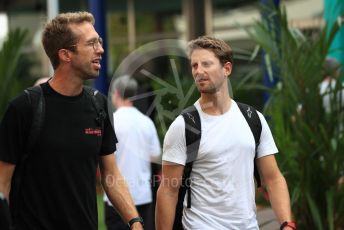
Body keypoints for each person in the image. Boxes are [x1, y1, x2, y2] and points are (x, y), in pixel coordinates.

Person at [0, 11, 143, 230]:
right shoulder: (25, 108)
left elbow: (111, 174)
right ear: (66, 54)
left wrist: (134, 221)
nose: (101, 49)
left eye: (100, 42)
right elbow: (3, 184)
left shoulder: (98, 104)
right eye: (92, 43)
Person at [155, 36, 295, 230]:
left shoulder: (253, 119)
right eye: (194, 65)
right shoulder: (184, 126)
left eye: (206, 64)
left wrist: (287, 224)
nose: (198, 71)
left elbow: (273, 179)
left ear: (226, 69)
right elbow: (169, 190)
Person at [104, 75, 161, 230]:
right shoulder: (146, 122)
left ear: (116, 93)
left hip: (116, 197)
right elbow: (155, 155)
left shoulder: (111, 121)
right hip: (142, 195)